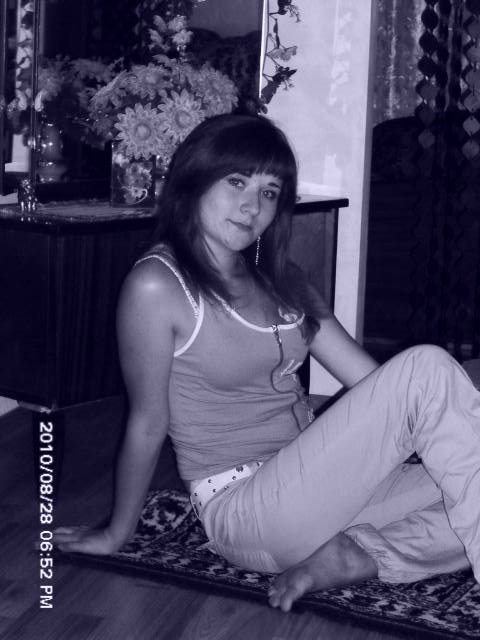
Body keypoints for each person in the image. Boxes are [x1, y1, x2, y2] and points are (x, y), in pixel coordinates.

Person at [55, 114, 480, 613]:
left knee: (462, 455)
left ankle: (360, 556)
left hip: (324, 492)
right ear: (195, 178)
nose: (252, 206)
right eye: (236, 182)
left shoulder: (282, 279)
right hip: (248, 512)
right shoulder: (158, 285)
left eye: (269, 192)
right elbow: (147, 424)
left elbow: (373, 383)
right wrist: (116, 532)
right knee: (428, 367)